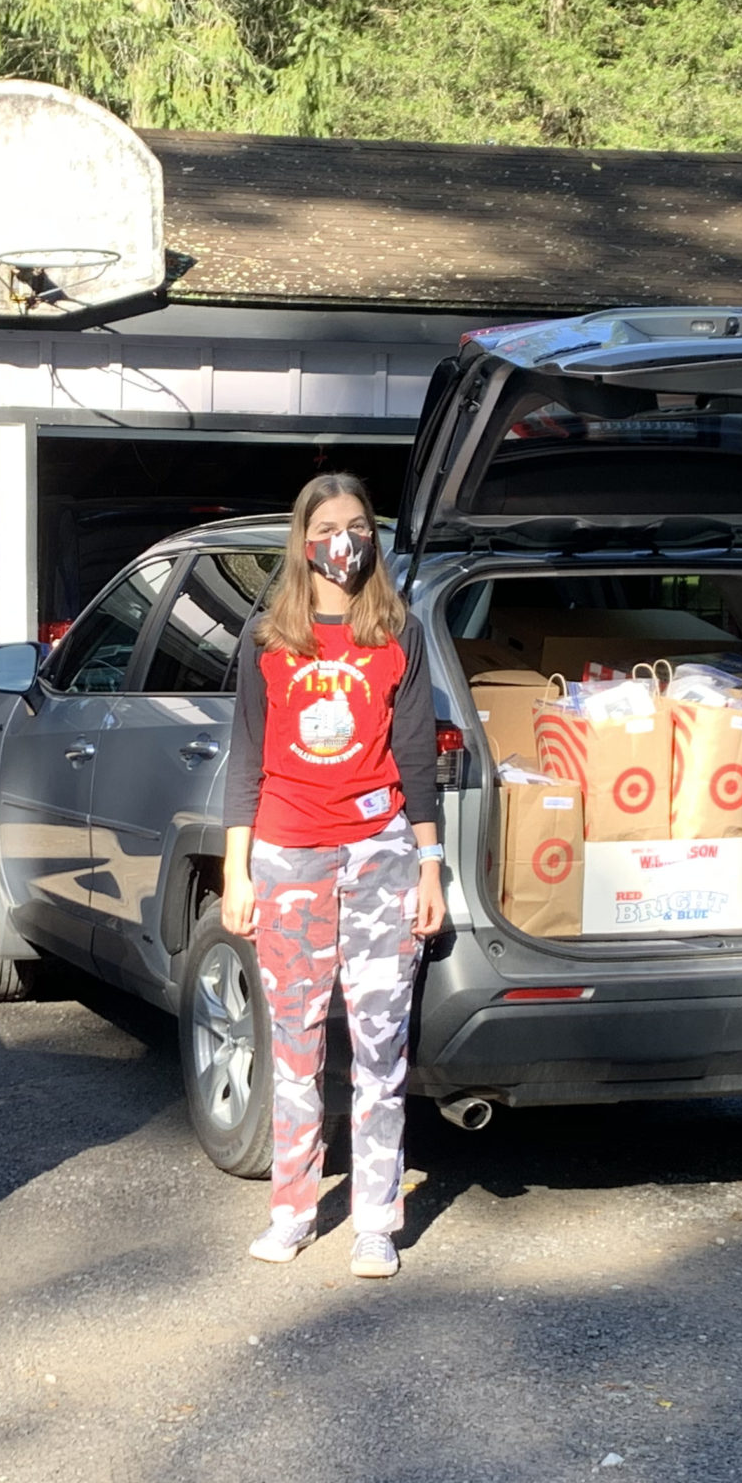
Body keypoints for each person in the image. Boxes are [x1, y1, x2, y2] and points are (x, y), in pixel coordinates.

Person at [221, 472, 445, 1278]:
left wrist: (430, 865)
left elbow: (416, 757)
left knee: (382, 1045)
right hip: (288, 853)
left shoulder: (400, 633)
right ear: (303, 539)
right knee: (294, 1044)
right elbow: (247, 753)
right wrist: (237, 869)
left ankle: (375, 1220)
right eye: (327, 526)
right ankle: (292, 1210)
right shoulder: (268, 638)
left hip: (381, 853)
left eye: (357, 525)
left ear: (372, 541)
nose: (342, 540)